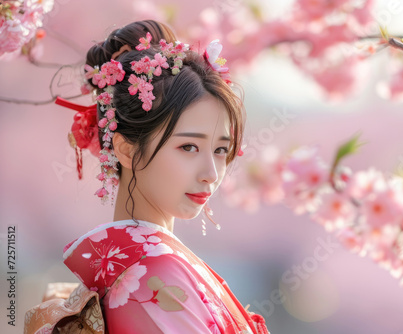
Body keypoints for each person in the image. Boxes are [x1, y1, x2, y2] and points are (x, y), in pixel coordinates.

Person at [24, 20, 270, 334]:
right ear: (126, 150)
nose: (211, 174)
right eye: (189, 147)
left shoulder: (140, 267)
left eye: (221, 150)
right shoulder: (155, 275)